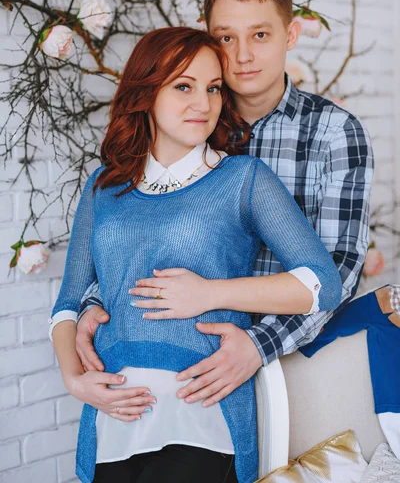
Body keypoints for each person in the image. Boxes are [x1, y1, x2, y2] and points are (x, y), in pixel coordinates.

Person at [50, 26, 342, 483]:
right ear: (146, 92)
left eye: (213, 89)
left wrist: (208, 293)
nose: (203, 104)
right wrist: (74, 379)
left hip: (201, 415)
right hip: (114, 417)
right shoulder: (104, 186)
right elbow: (68, 303)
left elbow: (322, 284)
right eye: (184, 86)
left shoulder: (243, 179)